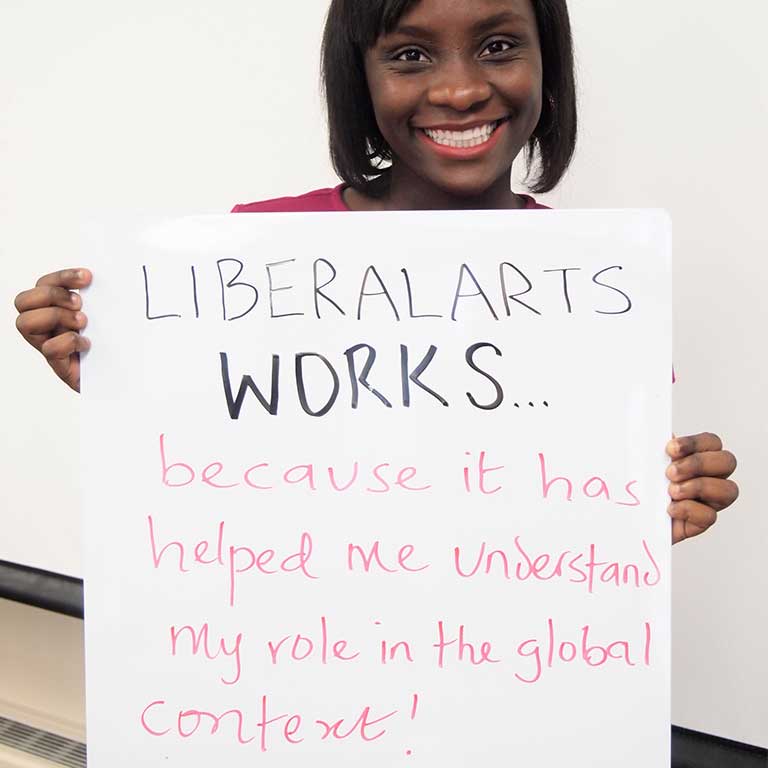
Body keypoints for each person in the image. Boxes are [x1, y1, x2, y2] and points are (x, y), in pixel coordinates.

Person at [12, 0, 738, 543]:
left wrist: (669, 495)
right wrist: (120, 379)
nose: (459, 91)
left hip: (512, 676)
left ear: (550, 69)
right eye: (411, 56)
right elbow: (211, 468)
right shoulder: (257, 253)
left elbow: (586, 499)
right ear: (358, 80)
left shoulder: (602, 285)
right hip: (290, 681)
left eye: (497, 45)